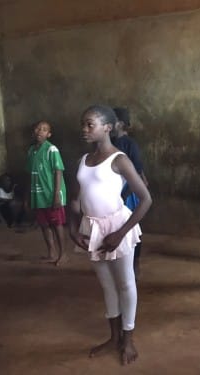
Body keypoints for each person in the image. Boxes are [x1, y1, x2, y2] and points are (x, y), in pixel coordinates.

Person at [68, 105, 152, 365]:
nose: (84, 129)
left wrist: (120, 233)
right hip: (92, 228)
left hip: (117, 227)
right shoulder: (83, 161)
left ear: (108, 127)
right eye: (83, 124)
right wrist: (72, 228)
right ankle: (113, 337)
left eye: (90, 124)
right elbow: (75, 200)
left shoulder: (119, 160)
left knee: (126, 283)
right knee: (107, 285)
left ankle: (128, 338)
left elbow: (146, 199)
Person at [111, 107, 148, 280]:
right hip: (113, 191)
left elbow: (138, 170)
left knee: (131, 228)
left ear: (120, 124)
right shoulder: (108, 142)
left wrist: (125, 194)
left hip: (128, 192)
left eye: (112, 119)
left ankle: (135, 262)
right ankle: (118, 262)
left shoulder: (129, 144)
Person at [26, 121, 67, 266]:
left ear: (49, 135)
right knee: (44, 225)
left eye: (44, 130)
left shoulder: (52, 149)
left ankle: (63, 254)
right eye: (37, 128)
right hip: (38, 194)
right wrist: (28, 196)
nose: (39, 131)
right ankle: (51, 252)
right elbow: (30, 174)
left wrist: (57, 194)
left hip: (51, 194)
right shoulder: (31, 151)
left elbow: (58, 171)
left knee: (57, 224)